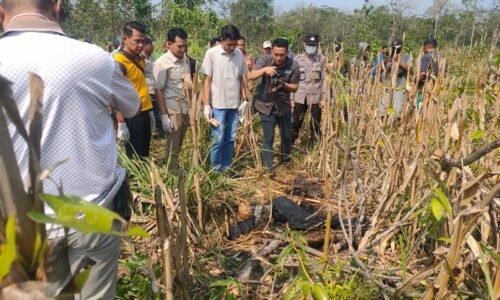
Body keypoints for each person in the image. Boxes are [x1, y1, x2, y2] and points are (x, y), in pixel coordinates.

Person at [0, 1, 140, 299]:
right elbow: (132, 104)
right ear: (58, 7)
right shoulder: (96, 59)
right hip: (93, 209)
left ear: (1, 14)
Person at [248, 38, 300, 173]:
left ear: (287, 52)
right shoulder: (264, 60)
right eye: (275, 54)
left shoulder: (293, 65)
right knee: (269, 137)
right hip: (265, 105)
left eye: (282, 55)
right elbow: (250, 75)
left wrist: (284, 85)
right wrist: (265, 70)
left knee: (287, 136)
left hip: (283, 106)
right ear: (272, 51)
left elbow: (295, 88)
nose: (278, 57)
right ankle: (268, 166)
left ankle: (286, 160)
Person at [202, 25, 247, 174]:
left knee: (230, 138)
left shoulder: (239, 54)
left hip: (234, 105)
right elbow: (207, 80)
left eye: (234, 44)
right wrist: (206, 105)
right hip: (218, 105)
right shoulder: (211, 54)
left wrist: (245, 99)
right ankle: (215, 170)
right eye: (229, 44)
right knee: (218, 139)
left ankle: (227, 168)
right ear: (222, 41)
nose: (232, 47)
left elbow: (241, 78)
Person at [153, 28, 192, 173]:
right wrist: (164, 115)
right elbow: (159, 90)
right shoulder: (162, 63)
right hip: (172, 108)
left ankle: (174, 167)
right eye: (179, 46)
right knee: (173, 143)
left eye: (185, 46)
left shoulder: (185, 59)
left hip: (185, 107)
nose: (183, 49)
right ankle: (171, 172)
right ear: (169, 44)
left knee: (180, 142)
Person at [114, 21, 153, 158]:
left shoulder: (139, 58)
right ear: (125, 39)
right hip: (131, 115)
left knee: (144, 153)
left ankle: (145, 178)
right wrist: (121, 122)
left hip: (144, 111)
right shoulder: (119, 61)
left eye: (143, 41)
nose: (141, 45)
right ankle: (135, 180)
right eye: (137, 41)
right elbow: (114, 94)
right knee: (134, 155)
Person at [291, 33, 326, 146]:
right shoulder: (296, 59)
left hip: (315, 97)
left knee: (315, 124)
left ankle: (314, 146)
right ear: (304, 44)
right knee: (296, 122)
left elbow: (325, 80)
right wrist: (291, 98)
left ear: (317, 45)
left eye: (313, 45)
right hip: (300, 97)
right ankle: (290, 145)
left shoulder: (321, 59)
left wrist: (324, 98)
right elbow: (293, 79)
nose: (311, 47)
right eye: (309, 45)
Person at [378, 39, 410, 120]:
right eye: (394, 48)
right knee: (383, 110)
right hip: (387, 87)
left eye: (397, 48)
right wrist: (384, 63)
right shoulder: (388, 56)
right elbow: (381, 71)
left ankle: (395, 128)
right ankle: (384, 126)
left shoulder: (406, 56)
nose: (395, 49)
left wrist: (398, 60)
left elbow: (408, 68)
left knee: (397, 110)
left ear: (401, 47)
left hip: (399, 87)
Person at [142, 35, 163, 137]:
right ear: (145, 45)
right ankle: (153, 131)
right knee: (150, 112)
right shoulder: (141, 59)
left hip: (155, 89)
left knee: (156, 111)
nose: (153, 47)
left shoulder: (152, 58)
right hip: (147, 89)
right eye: (151, 44)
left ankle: (157, 129)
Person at [417, 37, 439, 109]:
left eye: (423, 47)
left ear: (427, 46)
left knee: (420, 109)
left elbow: (423, 74)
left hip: (424, 89)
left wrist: (414, 80)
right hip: (436, 88)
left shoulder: (426, 57)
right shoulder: (441, 57)